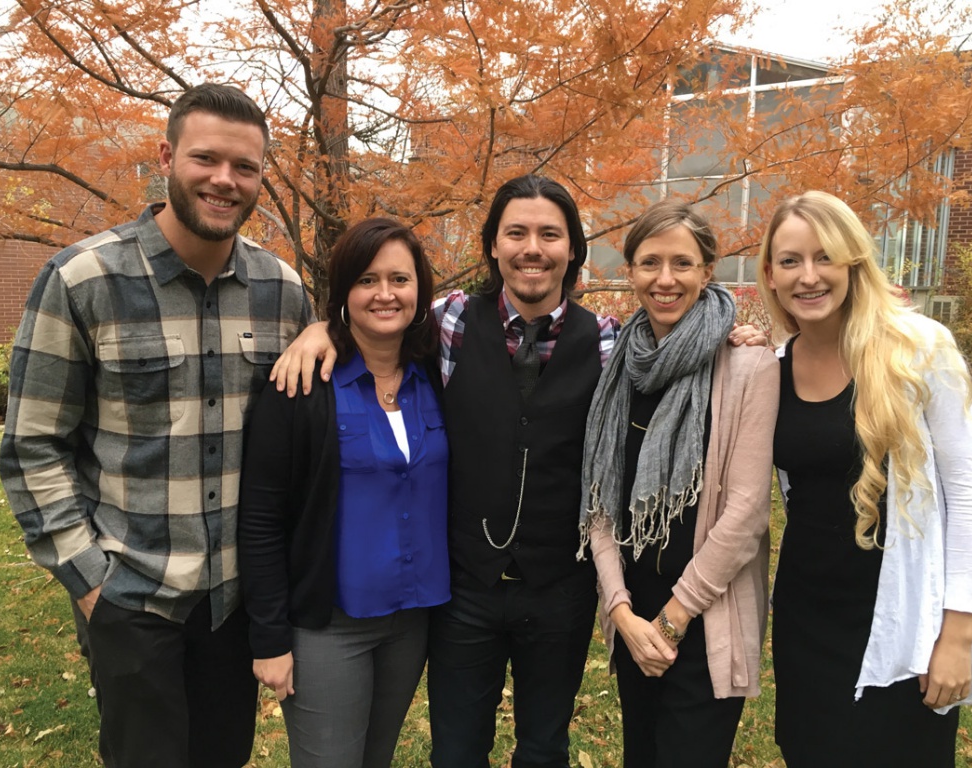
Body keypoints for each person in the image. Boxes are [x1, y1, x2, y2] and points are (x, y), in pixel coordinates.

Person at [270, 175, 765, 768]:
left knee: (544, 748)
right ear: (494, 247)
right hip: (464, 589)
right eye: (517, 233)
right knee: (455, 751)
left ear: (573, 250)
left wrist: (728, 333)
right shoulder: (448, 322)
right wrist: (319, 330)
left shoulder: (610, 342)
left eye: (550, 234)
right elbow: (378, 316)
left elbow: (672, 351)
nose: (533, 247)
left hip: (561, 588)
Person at [0, 83, 314, 768]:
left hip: (235, 605)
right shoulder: (82, 279)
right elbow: (31, 447)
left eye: (246, 167)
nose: (225, 180)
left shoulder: (284, 291)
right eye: (206, 159)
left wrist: (331, 336)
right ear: (166, 155)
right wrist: (90, 584)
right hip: (130, 598)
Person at [756, 190, 972, 767]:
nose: (808, 276)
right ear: (770, 273)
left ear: (855, 262)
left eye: (825, 257)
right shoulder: (773, 368)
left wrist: (958, 631)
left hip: (903, 613)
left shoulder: (918, 349)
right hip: (806, 613)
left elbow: (967, 497)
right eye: (790, 261)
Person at [238, 217, 450, 768]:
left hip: (412, 619)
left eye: (400, 279)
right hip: (327, 626)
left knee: (375, 758)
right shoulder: (301, 386)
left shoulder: (438, 377)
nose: (385, 294)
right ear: (343, 293)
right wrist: (269, 638)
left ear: (420, 291)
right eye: (366, 280)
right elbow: (261, 516)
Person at [580, 201, 778, 767]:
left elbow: (745, 515)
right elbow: (599, 494)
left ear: (707, 271)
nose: (665, 280)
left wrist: (673, 620)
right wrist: (620, 611)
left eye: (682, 264)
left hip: (703, 615)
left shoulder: (748, 367)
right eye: (649, 263)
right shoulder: (618, 363)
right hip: (636, 615)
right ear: (631, 271)